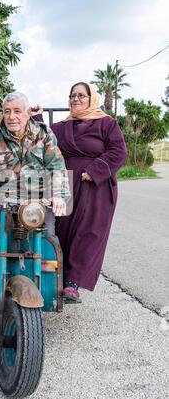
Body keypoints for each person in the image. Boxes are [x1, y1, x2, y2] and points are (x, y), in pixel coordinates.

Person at [51, 82, 127, 302]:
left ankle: (73, 283)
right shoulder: (60, 127)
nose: (76, 99)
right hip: (66, 183)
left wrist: (94, 171)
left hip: (97, 186)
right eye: (72, 95)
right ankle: (58, 275)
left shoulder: (106, 123)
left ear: (91, 98)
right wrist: (36, 117)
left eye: (81, 95)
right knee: (61, 228)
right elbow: (43, 140)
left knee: (89, 232)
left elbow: (119, 151)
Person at [0, 92, 70, 230]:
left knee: (46, 235)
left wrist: (59, 194)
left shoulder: (43, 134)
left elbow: (56, 166)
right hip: (4, 198)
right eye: (7, 111)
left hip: (38, 198)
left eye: (17, 111)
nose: (11, 117)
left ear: (27, 113)